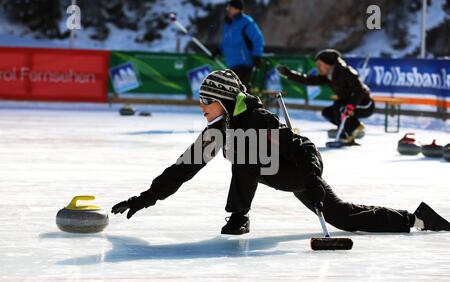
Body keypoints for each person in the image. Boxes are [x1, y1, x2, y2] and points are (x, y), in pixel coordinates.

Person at [112, 69, 450, 236]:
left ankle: (239, 216)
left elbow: (304, 147)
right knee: (342, 216)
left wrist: (313, 180)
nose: (200, 107)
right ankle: (418, 218)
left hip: (297, 172)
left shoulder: (260, 120)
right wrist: (146, 197)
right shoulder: (219, 129)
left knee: (247, 151)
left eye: (206, 101)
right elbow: (184, 168)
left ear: (225, 100)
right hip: (273, 173)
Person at [277, 49, 375, 144]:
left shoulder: (346, 72)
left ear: (328, 64)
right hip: (347, 103)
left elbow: (360, 91)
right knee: (328, 112)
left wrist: (351, 105)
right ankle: (353, 128)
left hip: (364, 104)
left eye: (319, 65)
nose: (318, 68)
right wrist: (289, 74)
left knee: (341, 109)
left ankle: (348, 132)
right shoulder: (328, 75)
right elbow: (309, 80)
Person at [214, 0, 265, 90]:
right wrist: (218, 50)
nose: (228, 9)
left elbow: (258, 39)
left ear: (237, 9)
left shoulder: (246, 22)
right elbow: (227, 41)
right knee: (233, 91)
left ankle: (247, 104)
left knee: (241, 91)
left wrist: (257, 55)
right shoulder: (228, 23)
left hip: (244, 63)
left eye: (230, 7)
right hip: (231, 63)